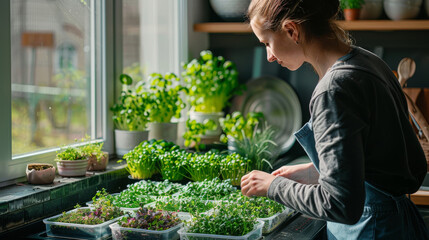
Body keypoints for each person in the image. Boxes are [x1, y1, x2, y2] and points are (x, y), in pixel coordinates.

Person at [240, 0, 429, 239]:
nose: (268, 56)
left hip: (371, 230)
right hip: (399, 224)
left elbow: (339, 204)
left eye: (267, 43)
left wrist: (273, 186)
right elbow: (398, 163)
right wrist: (315, 172)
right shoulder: (369, 62)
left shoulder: (333, 90)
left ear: (291, 30)